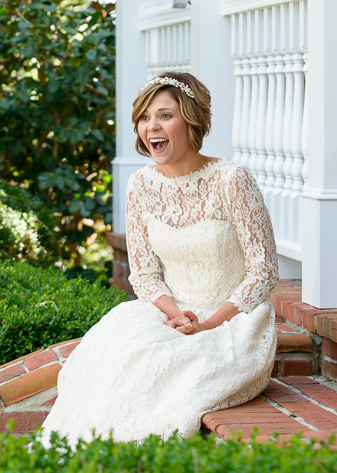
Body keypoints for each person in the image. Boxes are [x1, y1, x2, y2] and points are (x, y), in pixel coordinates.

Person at [40, 72, 279, 443]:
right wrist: (176, 315)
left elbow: (264, 271)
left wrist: (208, 324)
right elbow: (145, 274)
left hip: (233, 321)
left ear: (192, 120)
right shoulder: (140, 186)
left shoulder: (232, 179)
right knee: (110, 357)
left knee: (160, 368)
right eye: (145, 117)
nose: (152, 126)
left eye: (165, 115)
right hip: (171, 314)